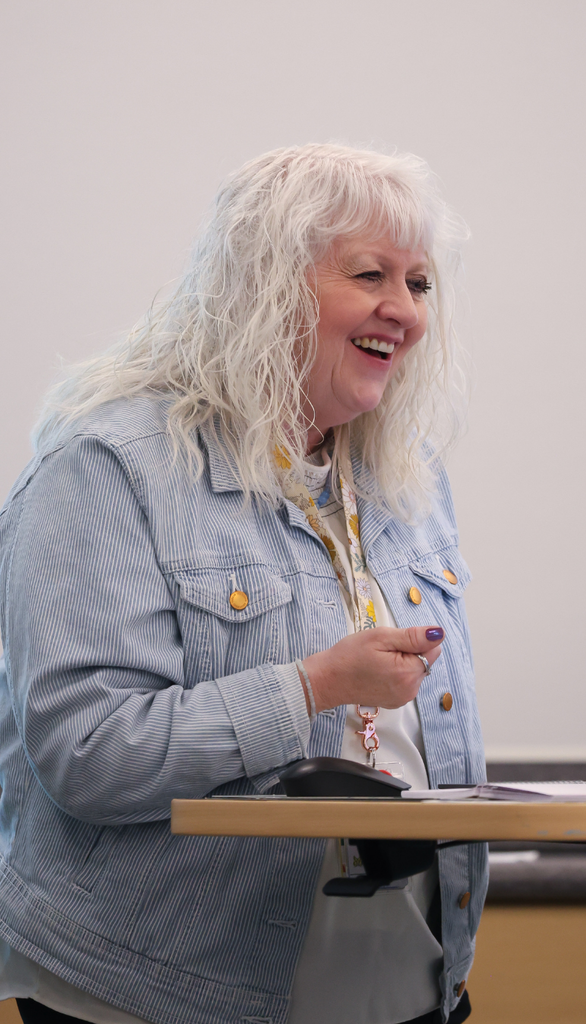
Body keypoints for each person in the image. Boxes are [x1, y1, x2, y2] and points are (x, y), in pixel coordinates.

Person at [0, 144, 486, 1024]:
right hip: (151, 995)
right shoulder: (108, 467)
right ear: (264, 286)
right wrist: (313, 687)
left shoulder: (405, 482)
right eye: (370, 273)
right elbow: (87, 751)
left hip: (403, 983)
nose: (404, 312)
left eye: (419, 284)